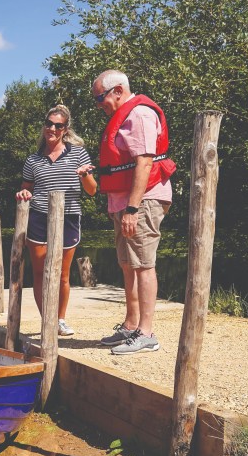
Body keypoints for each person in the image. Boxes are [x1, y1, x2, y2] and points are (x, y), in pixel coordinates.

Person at [92, 70, 177, 355]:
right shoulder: (123, 116)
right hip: (123, 203)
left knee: (143, 264)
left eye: (100, 97)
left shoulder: (139, 115)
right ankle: (131, 325)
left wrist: (132, 208)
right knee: (128, 264)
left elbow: (144, 163)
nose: (98, 104)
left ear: (117, 90)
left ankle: (147, 333)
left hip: (142, 201)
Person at [16, 105, 97, 336]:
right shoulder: (33, 160)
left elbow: (92, 191)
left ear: (65, 129)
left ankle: (60, 319)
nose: (52, 128)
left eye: (58, 125)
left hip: (68, 217)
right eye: (49, 123)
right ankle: (47, 321)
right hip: (39, 217)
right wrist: (24, 194)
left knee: (61, 274)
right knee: (41, 272)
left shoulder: (78, 153)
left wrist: (85, 175)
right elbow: (26, 189)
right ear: (44, 126)